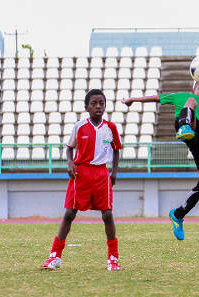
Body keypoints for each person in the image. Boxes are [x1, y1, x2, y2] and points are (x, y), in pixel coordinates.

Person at [122, 82, 199, 240]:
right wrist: (134, 99)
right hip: (188, 125)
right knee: (191, 102)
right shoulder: (185, 96)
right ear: (193, 90)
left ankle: (178, 214)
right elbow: (156, 98)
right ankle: (184, 126)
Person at [42, 89, 122, 271]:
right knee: (70, 214)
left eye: (101, 103)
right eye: (94, 103)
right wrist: (70, 163)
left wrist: (114, 173)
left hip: (101, 174)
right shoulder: (79, 126)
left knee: (107, 214)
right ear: (87, 107)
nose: (98, 106)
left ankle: (113, 257)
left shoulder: (111, 128)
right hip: (81, 174)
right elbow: (69, 148)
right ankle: (55, 255)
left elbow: (116, 150)